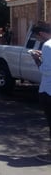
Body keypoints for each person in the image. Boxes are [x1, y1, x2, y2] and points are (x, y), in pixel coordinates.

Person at [29, 21, 51, 163]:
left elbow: (47, 70)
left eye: (37, 37)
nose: (38, 40)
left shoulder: (48, 45)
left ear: (41, 34)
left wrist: (37, 59)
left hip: (48, 91)